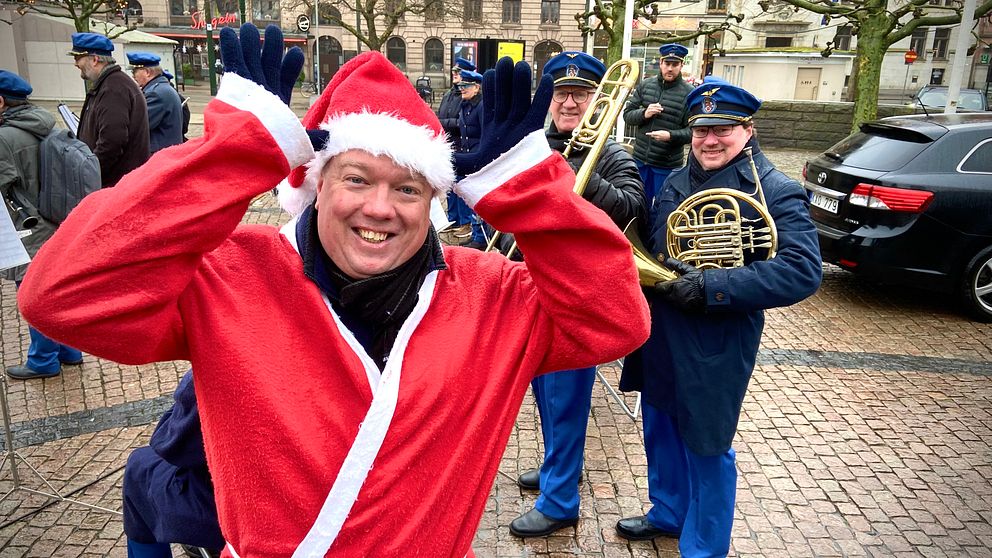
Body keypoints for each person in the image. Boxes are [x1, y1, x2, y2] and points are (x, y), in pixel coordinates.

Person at [21, 23, 649, 557]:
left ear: (433, 200)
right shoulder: (227, 275)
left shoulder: (493, 296)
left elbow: (615, 321)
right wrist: (236, 154)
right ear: (317, 184)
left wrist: (525, 187)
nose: (380, 208)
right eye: (355, 178)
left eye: (407, 188)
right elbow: (61, 295)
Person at [616, 77, 822, 557]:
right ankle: (668, 512)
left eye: (723, 128)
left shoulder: (775, 190)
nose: (710, 139)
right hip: (663, 324)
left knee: (706, 444)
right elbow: (653, 240)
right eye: (702, 128)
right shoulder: (676, 179)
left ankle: (704, 548)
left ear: (747, 130)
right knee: (660, 423)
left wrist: (712, 286)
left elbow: (802, 272)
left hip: (717, 338)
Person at [507, 51, 647, 538]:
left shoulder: (613, 152)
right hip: (532, 286)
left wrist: (577, 178)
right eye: (561, 94)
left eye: (580, 95)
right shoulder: (533, 146)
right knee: (542, 394)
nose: (569, 103)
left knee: (566, 398)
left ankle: (561, 499)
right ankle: (553, 469)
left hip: (576, 295)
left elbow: (631, 207)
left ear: (596, 101)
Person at [0, 70, 84, 380]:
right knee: (56, 290)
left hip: (28, 225)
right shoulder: (44, 125)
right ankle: (68, 349)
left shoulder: (4, 137)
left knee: (33, 294)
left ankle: (43, 359)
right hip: (54, 219)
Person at [123, 370, 223, 558]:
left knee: (138, 468)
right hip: (291, 506)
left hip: (233, 512)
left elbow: (173, 445)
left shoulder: (221, 367)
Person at [69, 32, 149, 187]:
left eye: (78, 58)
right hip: (117, 182)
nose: (75, 64)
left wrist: (90, 174)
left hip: (116, 184)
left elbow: (112, 142)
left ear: (95, 59)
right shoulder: (111, 84)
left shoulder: (113, 88)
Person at [623, 43, 693, 213]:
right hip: (640, 159)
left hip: (667, 164)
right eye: (667, 64)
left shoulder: (689, 93)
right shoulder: (645, 85)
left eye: (674, 64)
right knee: (636, 203)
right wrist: (644, 113)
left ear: (681, 65)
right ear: (660, 63)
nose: (670, 68)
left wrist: (670, 135)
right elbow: (627, 116)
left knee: (661, 208)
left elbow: (694, 133)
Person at [437, 57, 475, 235]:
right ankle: (453, 219)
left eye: (458, 73)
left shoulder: (466, 95)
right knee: (449, 185)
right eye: (454, 72)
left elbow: (463, 122)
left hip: (461, 145)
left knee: (461, 186)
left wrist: (443, 122)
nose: (455, 75)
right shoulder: (449, 94)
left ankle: (466, 223)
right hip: (448, 145)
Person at [455, 69, 487, 249]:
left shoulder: (481, 106)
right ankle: (475, 233)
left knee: (478, 198)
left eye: (466, 86)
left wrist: (481, 157)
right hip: (468, 156)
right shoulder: (464, 105)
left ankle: (480, 237)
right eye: (461, 85)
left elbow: (485, 134)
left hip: (478, 158)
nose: (462, 89)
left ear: (476, 87)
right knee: (468, 197)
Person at [128, 52, 184, 154]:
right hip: (166, 154)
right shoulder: (162, 88)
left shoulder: (155, 94)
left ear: (147, 72)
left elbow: (137, 126)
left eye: (135, 71)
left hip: (159, 156)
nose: (133, 76)